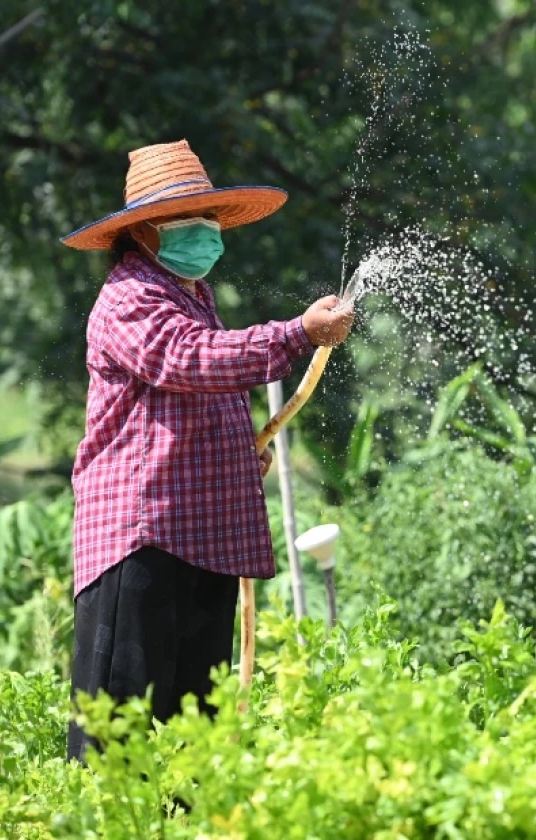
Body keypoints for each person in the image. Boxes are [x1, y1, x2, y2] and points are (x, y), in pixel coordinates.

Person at [60, 139, 354, 762]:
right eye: (188, 224)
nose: (208, 237)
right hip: (140, 539)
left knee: (194, 736)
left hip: (198, 538)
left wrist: (238, 454)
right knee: (120, 741)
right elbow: (188, 360)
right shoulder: (130, 298)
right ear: (141, 231)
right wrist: (297, 333)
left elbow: (194, 394)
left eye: (210, 221)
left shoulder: (191, 294)